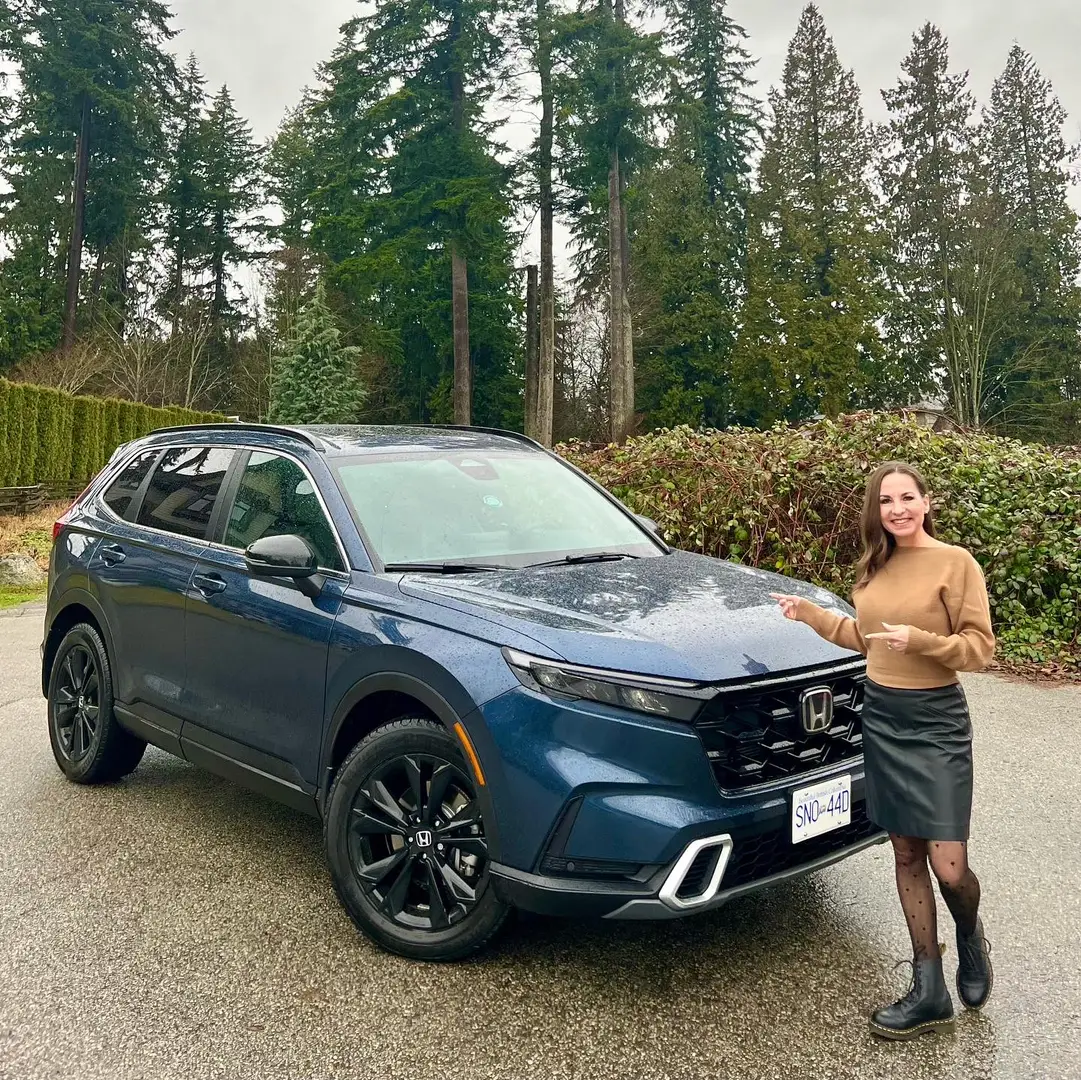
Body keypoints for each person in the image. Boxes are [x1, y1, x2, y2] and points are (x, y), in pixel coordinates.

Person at [769, 461, 995, 1041]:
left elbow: (978, 649)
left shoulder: (955, 563)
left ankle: (969, 937)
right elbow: (860, 636)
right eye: (886, 500)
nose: (897, 508)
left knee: (950, 865)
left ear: (926, 502)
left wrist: (921, 641)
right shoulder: (872, 569)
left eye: (906, 497)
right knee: (904, 852)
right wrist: (812, 616)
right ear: (878, 511)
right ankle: (929, 987)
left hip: (937, 722)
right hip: (884, 718)